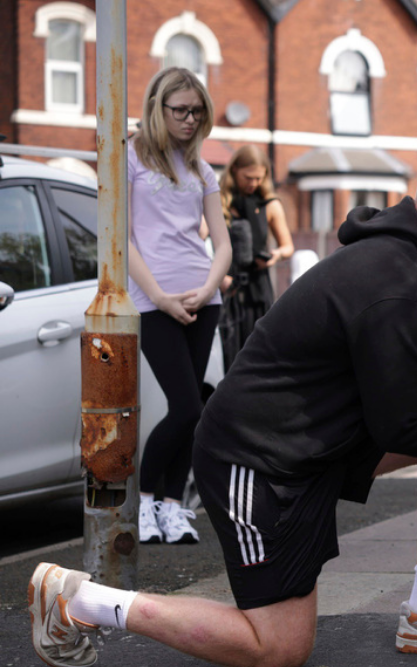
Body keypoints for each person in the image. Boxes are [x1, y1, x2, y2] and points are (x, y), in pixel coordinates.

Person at [28, 147, 417, 667]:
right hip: (255, 462)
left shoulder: (409, 264)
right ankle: (80, 600)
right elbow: (398, 426)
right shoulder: (394, 281)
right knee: (278, 648)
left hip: (314, 445)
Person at [125, 67, 232, 545]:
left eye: (197, 112)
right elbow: (123, 241)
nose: (191, 120)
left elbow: (223, 245)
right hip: (154, 301)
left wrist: (209, 287)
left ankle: (172, 507)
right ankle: (145, 503)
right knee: (186, 406)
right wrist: (161, 298)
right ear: (157, 108)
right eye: (181, 110)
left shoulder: (202, 169)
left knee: (195, 410)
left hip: (202, 298)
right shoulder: (128, 158)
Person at [217, 144, 294, 371]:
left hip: (258, 288)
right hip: (226, 287)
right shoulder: (220, 203)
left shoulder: (271, 205)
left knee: (260, 355)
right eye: (248, 177)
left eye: (259, 178)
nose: (253, 183)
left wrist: (274, 256)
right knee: (229, 358)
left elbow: (287, 246)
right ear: (234, 172)